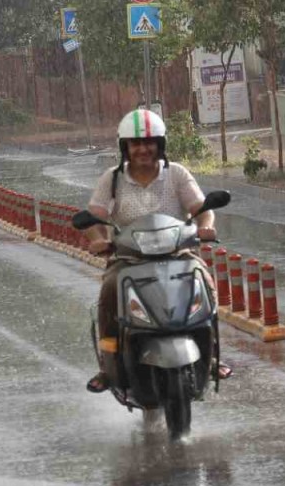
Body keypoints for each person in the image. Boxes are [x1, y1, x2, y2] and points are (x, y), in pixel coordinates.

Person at [84, 109, 230, 393]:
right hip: (127, 260)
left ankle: (210, 355)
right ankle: (107, 364)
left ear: (160, 144)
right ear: (125, 147)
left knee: (205, 282)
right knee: (108, 292)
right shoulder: (111, 178)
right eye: (135, 143)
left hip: (178, 256)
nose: (143, 149)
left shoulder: (176, 174)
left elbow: (202, 210)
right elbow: (94, 216)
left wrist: (206, 227)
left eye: (149, 142)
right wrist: (98, 239)